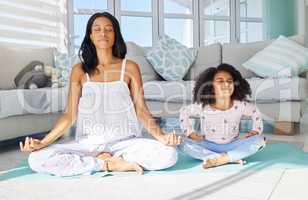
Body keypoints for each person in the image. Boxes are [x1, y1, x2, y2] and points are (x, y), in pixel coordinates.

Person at [19, 12, 181, 176]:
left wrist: (161, 137)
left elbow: (141, 110)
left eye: (108, 29)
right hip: (90, 143)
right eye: (97, 29)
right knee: (37, 159)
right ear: (90, 35)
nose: (103, 33)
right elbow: (69, 115)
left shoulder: (130, 67)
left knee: (169, 155)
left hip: (125, 141)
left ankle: (108, 160)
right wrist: (43, 142)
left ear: (115, 34)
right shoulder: (79, 70)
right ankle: (104, 164)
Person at [178, 63, 266, 169]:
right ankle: (228, 158)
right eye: (220, 81)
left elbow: (254, 111)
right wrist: (190, 133)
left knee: (260, 140)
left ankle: (220, 159)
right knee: (180, 142)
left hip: (232, 145)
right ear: (211, 87)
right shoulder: (203, 107)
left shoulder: (240, 105)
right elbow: (184, 111)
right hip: (207, 145)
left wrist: (256, 130)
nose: (226, 84)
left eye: (229, 81)